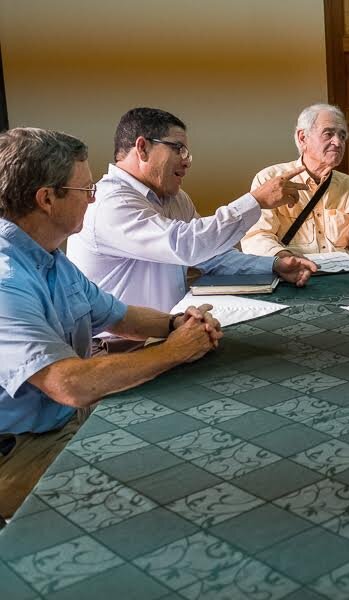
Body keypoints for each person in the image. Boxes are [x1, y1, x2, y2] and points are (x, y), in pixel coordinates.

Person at [0, 128, 223, 518]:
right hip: (17, 449)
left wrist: (174, 324)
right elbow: (68, 384)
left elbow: (120, 316)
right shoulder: (6, 278)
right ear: (47, 198)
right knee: (160, 492)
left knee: (183, 439)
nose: (94, 198)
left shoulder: (50, 257)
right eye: (86, 191)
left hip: (64, 420)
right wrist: (174, 351)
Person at [66, 107, 317, 313]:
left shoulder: (174, 198)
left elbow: (211, 255)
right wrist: (255, 201)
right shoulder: (108, 203)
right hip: (119, 349)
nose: (186, 161)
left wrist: (273, 266)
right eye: (178, 149)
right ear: (142, 148)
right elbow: (185, 246)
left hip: (169, 335)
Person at [240, 104, 349, 269]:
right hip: (292, 276)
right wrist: (283, 258)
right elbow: (256, 237)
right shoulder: (270, 180)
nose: (338, 142)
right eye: (328, 134)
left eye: (342, 135)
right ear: (303, 138)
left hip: (344, 280)